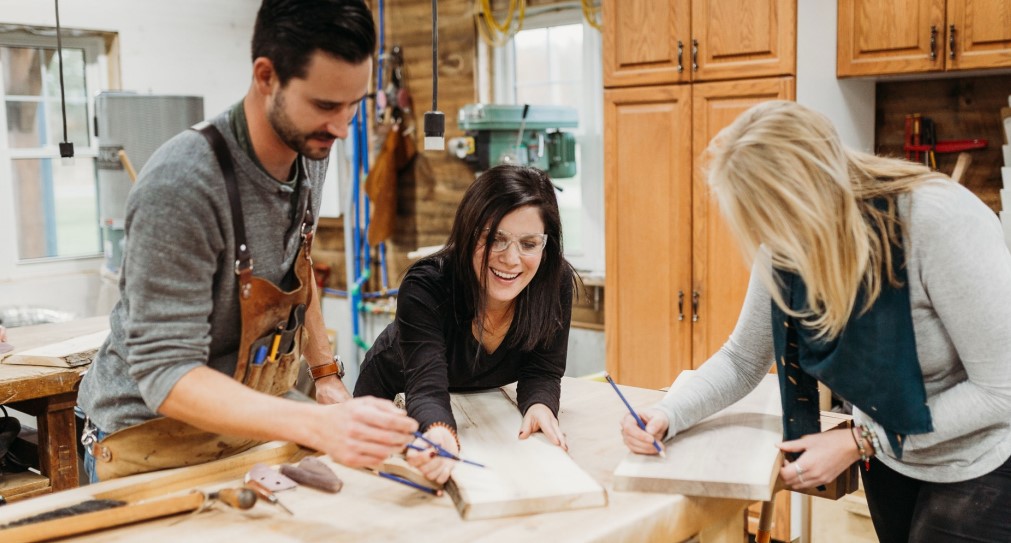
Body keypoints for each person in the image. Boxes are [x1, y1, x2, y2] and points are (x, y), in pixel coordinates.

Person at [620, 101, 1011, 542]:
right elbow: (742, 359)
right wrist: (670, 412)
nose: (772, 240)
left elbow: (1000, 391)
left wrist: (859, 441)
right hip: (892, 456)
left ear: (816, 190)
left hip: (983, 461)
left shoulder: (936, 221)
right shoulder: (787, 238)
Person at [76, 0, 417, 482]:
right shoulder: (183, 185)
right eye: (324, 105)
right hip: (148, 442)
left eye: (353, 106)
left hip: (245, 429)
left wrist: (325, 378)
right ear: (266, 77)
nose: (342, 128)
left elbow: (299, 263)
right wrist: (316, 423)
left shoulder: (310, 152)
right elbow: (166, 375)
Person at [354, 164, 578, 484]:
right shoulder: (427, 285)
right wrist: (440, 433)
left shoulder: (554, 284)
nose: (511, 259)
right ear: (469, 230)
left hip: (478, 409)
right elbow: (426, 389)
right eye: (495, 239)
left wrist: (541, 404)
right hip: (393, 397)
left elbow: (542, 369)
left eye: (528, 244)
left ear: (546, 245)